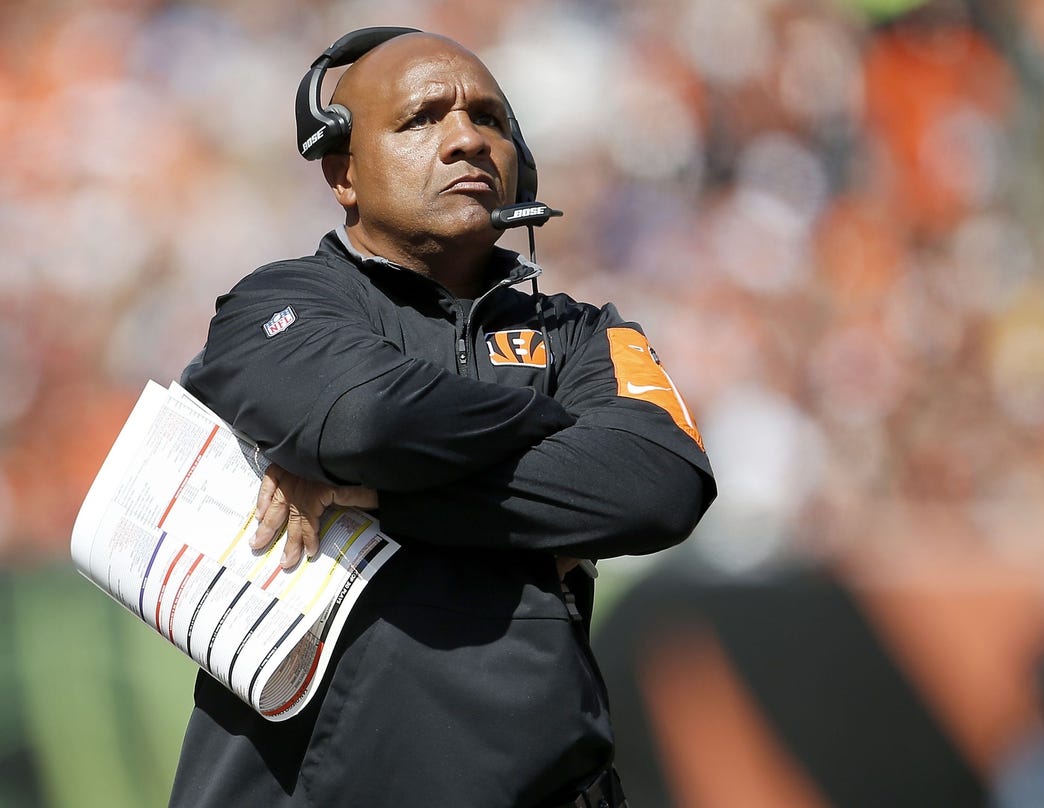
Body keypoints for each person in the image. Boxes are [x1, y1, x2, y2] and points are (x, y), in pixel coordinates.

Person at [167, 26, 715, 808]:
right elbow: (367, 423)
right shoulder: (276, 303)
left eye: (489, 119)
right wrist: (549, 427)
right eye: (423, 119)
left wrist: (381, 495)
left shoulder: (585, 332)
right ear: (342, 171)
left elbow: (660, 487)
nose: (466, 140)